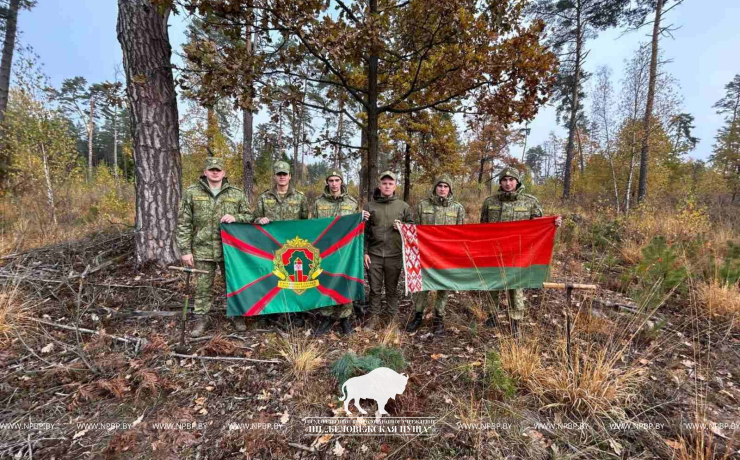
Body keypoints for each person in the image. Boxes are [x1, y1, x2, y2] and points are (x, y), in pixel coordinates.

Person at [480, 166, 562, 337]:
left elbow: (540, 225)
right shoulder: (490, 202)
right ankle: (492, 316)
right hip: (496, 250)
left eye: (511, 180)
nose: (508, 183)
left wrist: (553, 223)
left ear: (517, 181)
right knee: (493, 284)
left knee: (515, 286)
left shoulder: (530, 201)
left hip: (519, 252)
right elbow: (483, 227)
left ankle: (515, 320)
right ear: (500, 182)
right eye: (504, 180)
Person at [177, 157, 253, 338]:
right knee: (203, 287)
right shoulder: (192, 193)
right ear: (205, 172)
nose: (215, 172)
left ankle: (236, 315)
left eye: (218, 169)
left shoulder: (235, 193)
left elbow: (250, 216)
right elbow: (183, 223)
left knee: (233, 285)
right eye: (211, 169)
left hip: (230, 250)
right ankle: (201, 318)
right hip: (202, 248)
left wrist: (236, 217)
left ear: (223, 173)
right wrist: (185, 250)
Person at [310, 170, 370, 336]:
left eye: (337, 180)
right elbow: (312, 226)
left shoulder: (351, 203)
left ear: (341, 182)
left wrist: (361, 217)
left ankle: (345, 318)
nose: (334, 184)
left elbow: (358, 228)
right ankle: (326, 317)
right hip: (325, 250)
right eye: (331, 180)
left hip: (345, 251)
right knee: (325, 280)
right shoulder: (318, 202)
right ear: (327, 182)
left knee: (345, 282)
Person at [406, 174, 465, 336]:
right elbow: (414, 228)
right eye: (440, 186)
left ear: (450, 189)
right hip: (425, 253)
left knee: (443, 286)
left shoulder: (458, 208)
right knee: (422, 285)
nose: (442, 189)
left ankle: (439, 317)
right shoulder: (422, 206)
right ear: (435, 188)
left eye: (446, 186)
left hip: (447, 254)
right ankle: (418, 315)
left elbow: (461, 233)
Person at [253, 160, 309, 327]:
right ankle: (269, 312)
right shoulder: (264, 197)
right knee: (270, 279)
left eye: (285, 174)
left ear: (290, 176)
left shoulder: (300, 197)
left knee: (294, 280)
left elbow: (306, 222)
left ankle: (295, 313)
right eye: (279, 174)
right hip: (270, 247)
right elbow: (253, 218)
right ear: (275, 177)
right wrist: (259, 219)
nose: (282, 177)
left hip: (293, 248)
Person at [363, 171, 414, 330]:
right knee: (375, 289)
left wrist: (402, 227)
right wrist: (364, 252)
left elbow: (412, 230)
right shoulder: (370, 206)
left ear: (394, 186)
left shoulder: (403, 206)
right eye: (384, 183)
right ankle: (374, 318)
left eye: (390, 183)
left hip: (394, 255)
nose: (387, 186)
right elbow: (363, 231)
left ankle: (392, 319)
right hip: (374, 255)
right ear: (379, 186)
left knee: (392, 290)